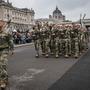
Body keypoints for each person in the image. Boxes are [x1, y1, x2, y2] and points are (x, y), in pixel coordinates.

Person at [0, 20, 14, 89]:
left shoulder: (6, 32)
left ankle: (2, 81)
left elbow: (10, 41)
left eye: (1, 22)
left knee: (2, 64)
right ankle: (5, 78)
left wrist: (12, 49)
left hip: (4, 50)